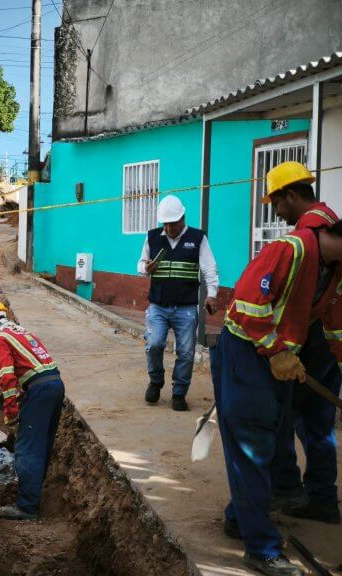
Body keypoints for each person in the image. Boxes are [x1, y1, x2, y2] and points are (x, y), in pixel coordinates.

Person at [211, 220, 342, 576]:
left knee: (268, 443)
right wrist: (275, 351)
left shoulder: (334, 269)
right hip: (247, 353)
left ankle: (240, 518)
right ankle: (261, 549)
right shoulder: (292, 249)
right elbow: (247, 305)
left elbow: (334, 326)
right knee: (252, 444)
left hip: (279, 357)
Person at [262, 161, 341, 524]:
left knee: (282, 417)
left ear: (292, 195)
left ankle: (287, 489)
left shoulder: (308, 235)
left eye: (277, 203)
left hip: (312, 343)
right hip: (328, 344)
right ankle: (322, 498)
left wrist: (278, 347)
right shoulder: (330, 224)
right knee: (318, 425)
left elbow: (299, 298)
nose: (277, 212)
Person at [0, 299, 64, 521]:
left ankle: (27, 507)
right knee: (42, 445)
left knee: (26, 448)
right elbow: (36, 367)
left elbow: (6, 376)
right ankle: (35, 494)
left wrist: (11, 410)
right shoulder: (20, 331)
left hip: (40, 391)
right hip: (54, 386)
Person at [137, 195, 219, 411]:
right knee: (153, 344)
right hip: (158, 305)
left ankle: (179, 393)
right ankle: (156, 381)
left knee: (186, 351)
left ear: (183, 217)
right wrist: (146, 268)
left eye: (173, 223)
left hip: (186, 308)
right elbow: (139, 263)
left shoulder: (197, 238)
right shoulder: (153, 237)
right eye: (165, 223)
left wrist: (212, 294)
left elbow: (209, 269)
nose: (169, 228)